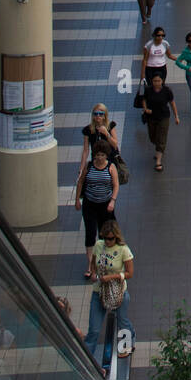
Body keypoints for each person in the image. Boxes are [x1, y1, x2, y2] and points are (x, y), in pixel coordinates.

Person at [84, 220, 136, 365]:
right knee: (94, 328)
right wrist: (93, 273)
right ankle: (87, 356)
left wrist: (112, 277)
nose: (107, 241)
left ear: (116, 237)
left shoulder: (123, 250)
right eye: (105, 238)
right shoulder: (99, 245)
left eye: (111, 238)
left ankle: (128, 342)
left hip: (118, 291)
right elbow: (93, 262)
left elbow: (130, 273)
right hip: (99, 291)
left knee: (122, 321)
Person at [76, 148, 119, 280]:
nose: (99, 157)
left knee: (104, 233)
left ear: (106, 156)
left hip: (105, 205)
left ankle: (103, 262)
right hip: (90, 204)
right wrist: (77, 199)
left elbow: (116, 185)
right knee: (90, 233)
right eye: (97, 155)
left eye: (102, 155)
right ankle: (90, 265)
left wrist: (112, 201)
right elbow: (81, 182)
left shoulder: (111, 167)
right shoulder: (89, 167)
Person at [143, 73, 179, 171]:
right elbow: (144, 100)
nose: (157, 83)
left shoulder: (167, 91)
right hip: (151, 117)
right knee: (153, 137)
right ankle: (158, 148)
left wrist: (176, 116)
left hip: (164, 117)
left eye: (158, 81)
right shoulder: (148, 90)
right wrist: (145, 109)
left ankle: (158, 161)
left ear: (162, 81)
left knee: (162, 138)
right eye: (155, 81)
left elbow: (172, 103)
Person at [78, 103, 120, 177]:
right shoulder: (88, 130)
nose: (98, 116)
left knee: (112, 182)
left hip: (111, 159)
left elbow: (115, 144)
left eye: (101, 114)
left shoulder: (110, 126)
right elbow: (85, 150)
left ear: (104, 116)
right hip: (97, 160)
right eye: (95, 114)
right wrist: (82, 167)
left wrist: (106, 133)